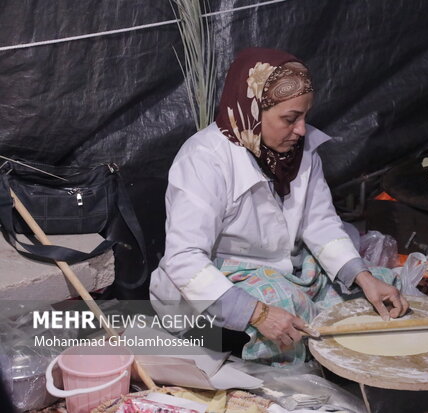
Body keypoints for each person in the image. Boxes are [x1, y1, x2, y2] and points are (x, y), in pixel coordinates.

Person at [150, 47, 409, 365]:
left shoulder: (300, 151)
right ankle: (304, 377)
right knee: (288, 306)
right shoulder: (204, 160)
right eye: (290, 118)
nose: (301, 129)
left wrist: (364, 277)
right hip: (213, 290)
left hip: (281, 268)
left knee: (371, 293)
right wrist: (257, 314)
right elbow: (184, 260)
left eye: (304, 116)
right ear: (252, 111)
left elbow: (320, 223)